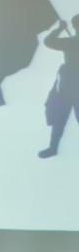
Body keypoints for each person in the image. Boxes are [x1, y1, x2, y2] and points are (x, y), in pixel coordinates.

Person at [39, 15, 79, 158]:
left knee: (60, 118)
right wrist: (59, 29)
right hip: (66, 85)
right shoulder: (71, 42)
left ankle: (53, 148)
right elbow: (48, 42)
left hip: (70, 85)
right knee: (59, 117)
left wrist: (60, 29)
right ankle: (53, 147)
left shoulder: (71, 42)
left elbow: (49, 41)